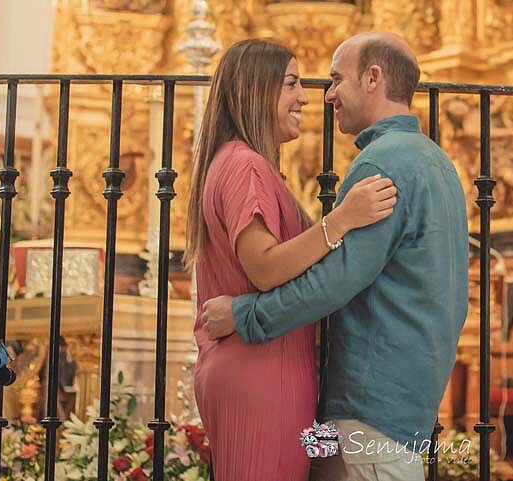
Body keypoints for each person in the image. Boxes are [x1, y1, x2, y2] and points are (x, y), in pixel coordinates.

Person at [200, 32, 469, 481]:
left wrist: (243, 314)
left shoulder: (381, 165)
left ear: (373, 78)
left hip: (366, 407)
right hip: (396, 405)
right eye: (296, 85)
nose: (325, 97)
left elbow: (331, 283)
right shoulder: (436, 162)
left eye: (335, 80)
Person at [186, 39, 399, 481]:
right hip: (261, 370)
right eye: (291, 84)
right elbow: (263, 268)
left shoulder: (235, 162)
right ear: (255, 91)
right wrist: (340, 221)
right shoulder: (245, 166)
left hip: (258, 366)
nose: (306, 96)